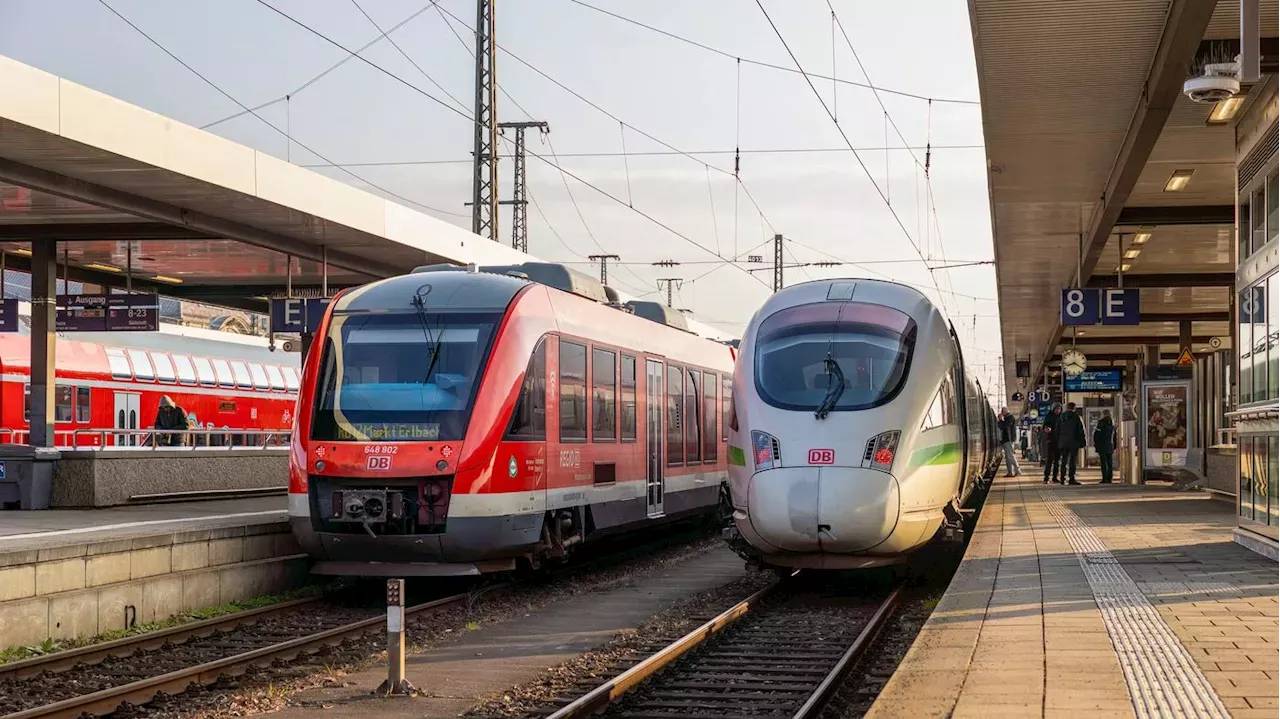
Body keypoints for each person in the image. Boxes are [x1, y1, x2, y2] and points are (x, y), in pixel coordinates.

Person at [1056, 402, 1086, 485]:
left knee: (1064, 460)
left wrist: (1059, 441)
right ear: (1074, 408)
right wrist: (1083, 442)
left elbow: (1056, 431)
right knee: (1072, 461)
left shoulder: (1061, 417)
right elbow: (1081, 431)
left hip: (1063, 442)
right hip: (1074, 442)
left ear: (1066, 407)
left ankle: (1062, 478)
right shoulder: (1077, 417)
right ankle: (1071, 478)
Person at [1093, 409, 1116, 484]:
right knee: (1110, 463)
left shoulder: (1101, 422)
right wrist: (1114, 445)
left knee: (1103, 463)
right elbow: (1115, 436)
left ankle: (1104, 479)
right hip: (1110, 445)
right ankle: (1110, 478)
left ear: (1103, 414)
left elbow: (1097, 434)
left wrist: (1096, 443)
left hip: (1102, 445)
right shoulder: (1112, 423)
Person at [1041, 404, 1062, 484]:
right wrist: (1047, 429)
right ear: (1053, 409)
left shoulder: (1061, 417)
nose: (1058, 410)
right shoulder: (1049, 417)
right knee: (1049, 460)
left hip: (1059, 442)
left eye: (1059, 409)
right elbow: (1044, 426)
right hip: (1050, 440)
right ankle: (1046, 477)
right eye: (1056, 409)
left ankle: (1055, 477)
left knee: (1057, 461)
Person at [998, 407, 1021, 477]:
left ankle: (1017, 470)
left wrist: (1000, 420)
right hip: (1006, 440)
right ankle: (1010, 472)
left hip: (1009, 440)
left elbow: (1003, 426)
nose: (1001, 413)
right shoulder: (1007, 418)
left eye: (1002, 411)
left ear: (1005, 411)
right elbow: (1001, 426)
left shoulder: (1010, 418)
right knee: (1008, 457)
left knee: (1010, 456)